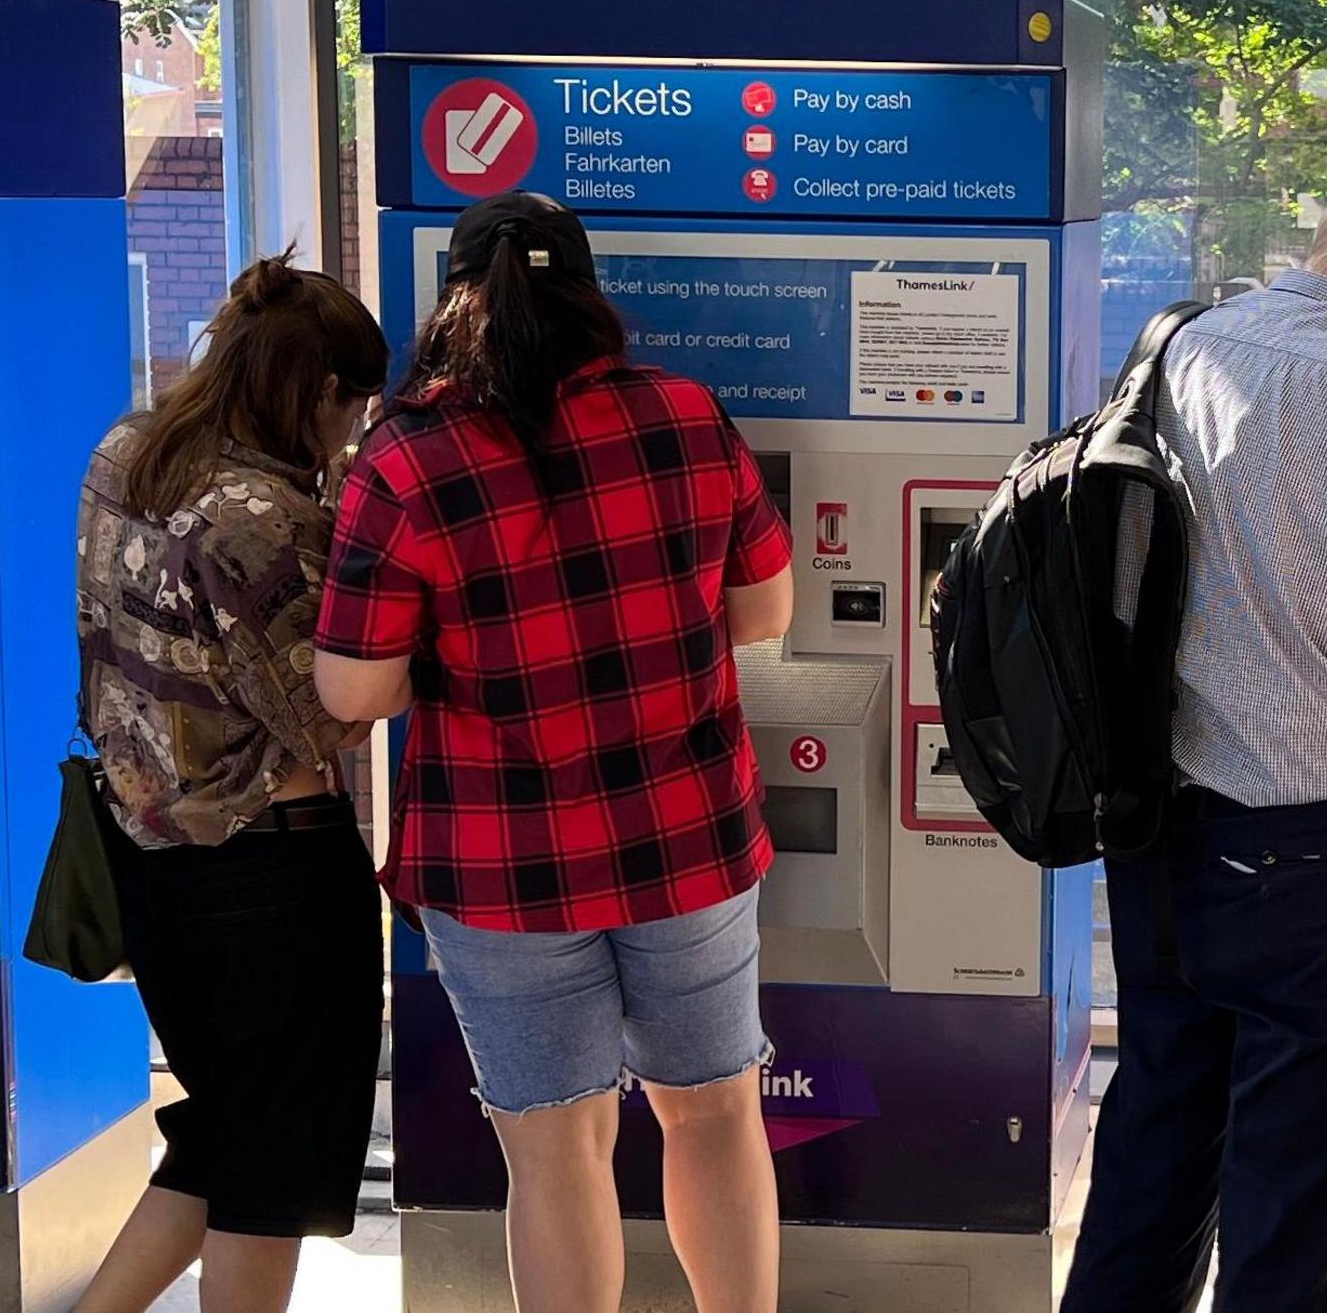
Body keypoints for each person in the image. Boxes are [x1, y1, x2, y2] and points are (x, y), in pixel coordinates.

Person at [312, 192, 793, 1313]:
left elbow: (355, 687)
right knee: (716, 1111)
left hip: (501, 860)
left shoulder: (406, 462)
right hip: (685, 834)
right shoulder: (683, 413)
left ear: (450, 300)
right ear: (587, 292)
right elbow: (766, 612)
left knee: (557, 1146)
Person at [1058, 164, 1327, 1313]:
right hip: (1321, 858)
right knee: (1290, 1211)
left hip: (1159, 831)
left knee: (1149, 1160)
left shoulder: (1181, 346)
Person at [72, 256, 388, 1313]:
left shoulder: (128, 452)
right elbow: (328, 713)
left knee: (226, 1127)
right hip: (273, 869)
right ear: (317, 390)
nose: (353, 431)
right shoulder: (259, 515)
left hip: (150, 854)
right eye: (353, 406)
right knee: (272, 1169)